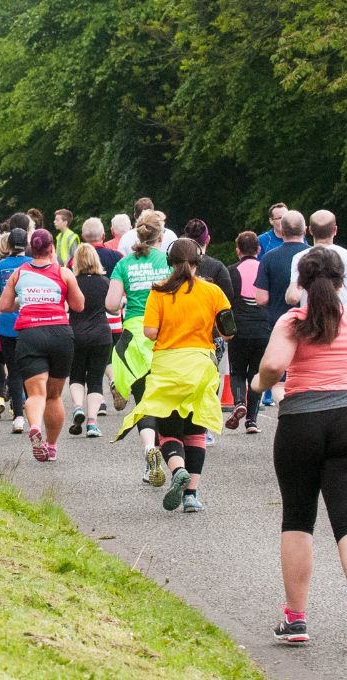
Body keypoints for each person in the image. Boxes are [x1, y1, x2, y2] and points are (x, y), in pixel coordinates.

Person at [252, 247, 347, 652]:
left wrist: (260, 382)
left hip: (301, 423)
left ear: (302, 284)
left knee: (298, 518)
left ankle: (296, 619)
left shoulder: (294, 320)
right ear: (343, 281)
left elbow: (274, 367)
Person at [115, 238, 231, 512]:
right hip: (201, 367)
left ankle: (177, 468)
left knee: (169, 431)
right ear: (198, 260)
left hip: (167, 367)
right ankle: (191, 495)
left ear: (170, 261)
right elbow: (228, 331)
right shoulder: (213, 292)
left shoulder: (158, 291)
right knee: (196, 431)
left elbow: (150, 333)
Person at [0, 228, 84, 462]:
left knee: (36, 393)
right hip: (60, 334)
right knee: (54, 396)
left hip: (30, 334)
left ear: (31, 249)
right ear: (51, 249)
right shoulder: (64, 273)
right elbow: (78, 305)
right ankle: (52, 446)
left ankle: (34, 426)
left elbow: (4, 306)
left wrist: (23, 300)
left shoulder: (18, 273)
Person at [105, 211, 172, 483]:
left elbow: (110, 304)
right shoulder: (168, 262)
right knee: (166, 400)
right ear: (161, 234)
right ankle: (174, 456)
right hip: (164, 336)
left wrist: (127, 299)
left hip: (133, 336)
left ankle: (149, 449)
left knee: (143, 400)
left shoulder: (124, 264)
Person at [254, 209, 309, 405]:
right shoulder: (314, 256)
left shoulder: (269, 257)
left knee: (281, 380)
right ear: (305, 231)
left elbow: (260, 298)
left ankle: (288, 413)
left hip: (279, 323)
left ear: (282, 231)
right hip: (312, 323)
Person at [226, 231, 271, 433]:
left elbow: (226, 302)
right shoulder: (265, 269)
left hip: (239, 329)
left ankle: (238, 402)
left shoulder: (231, 271)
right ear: (258, 249)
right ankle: (252, 420)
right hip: (263, 328)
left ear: (237, 251)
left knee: (237, 370)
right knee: (255, 373)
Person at [0, 227, 31, 433]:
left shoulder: (0, 266)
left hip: (6, 323)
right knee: (31, 369)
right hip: (29, 321)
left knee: (13, 371)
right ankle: (34, 411)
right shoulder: (32, 265)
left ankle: (18, 418)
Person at [68, 244, 113, 438]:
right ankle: (92, 423)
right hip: (101, 335)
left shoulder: (72, 282)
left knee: (76, 375)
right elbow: (113, 308)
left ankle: (78, 407)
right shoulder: (105, 282)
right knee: (95, 380)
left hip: (76, 334)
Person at [286, 210, 347, 311]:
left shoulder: (301, 257)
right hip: (340, 319)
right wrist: (342, 293)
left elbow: (293, 297)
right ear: (335, 230)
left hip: (312, 320)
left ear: (310, 230)